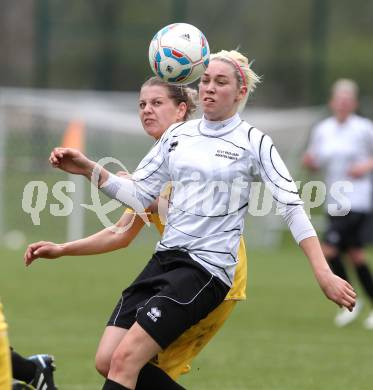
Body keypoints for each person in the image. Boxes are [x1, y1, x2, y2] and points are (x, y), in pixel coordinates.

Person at [47, 50, 356, 390]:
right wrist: (90, 169)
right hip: (164, 261)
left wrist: (323, 272)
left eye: (220, 82)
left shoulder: (254, 142)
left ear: (240, 92)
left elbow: (293, 207)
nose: (209, 88)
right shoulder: (178, 136)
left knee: (125, 361)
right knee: (107, 359)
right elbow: (139, 197)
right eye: (205, 80)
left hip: (205, 270)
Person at [24, 76, 248, 389]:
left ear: (182, 109)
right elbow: (121, 233)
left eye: (157, 103)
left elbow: (187, 208)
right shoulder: (159, 161)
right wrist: (62, 249)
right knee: (109, 360)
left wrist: (142, 195)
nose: (146, 110)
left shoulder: (203, 153)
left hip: (214, 275)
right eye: (142, 104)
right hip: (175, 270)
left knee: (129, 361)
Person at [303, 78, 373, 329]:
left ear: (353, 104)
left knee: (329, 250)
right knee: (355, 255)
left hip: (358, 200)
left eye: (347, 101)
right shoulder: (323, 129)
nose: (342, 105)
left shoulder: (364, 128)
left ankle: (348, 300)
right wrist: (310, 162)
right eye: (339, 100)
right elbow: (315, 159)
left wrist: (365, 166)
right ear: (333, 102)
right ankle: (358, 302)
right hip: (335, 200)